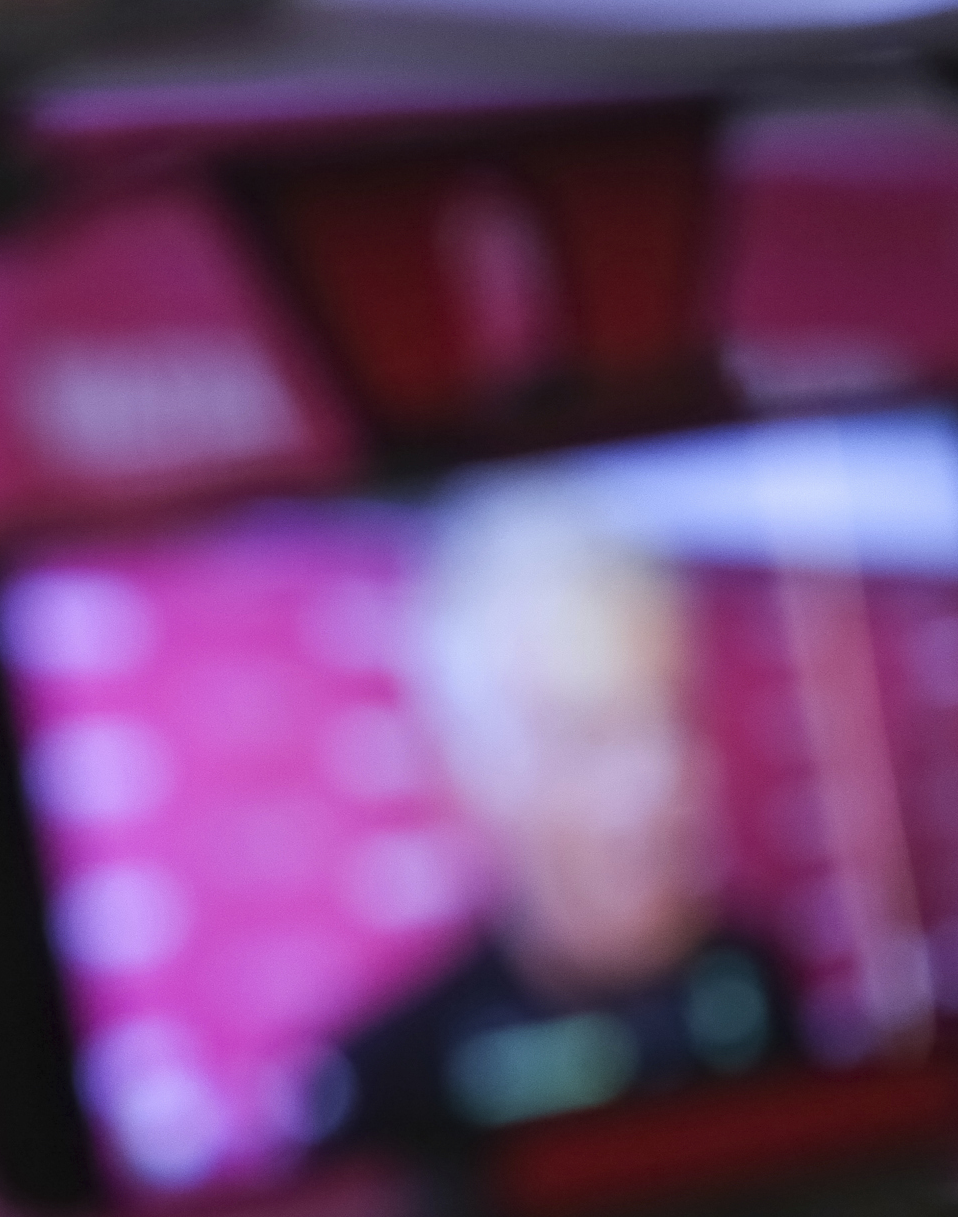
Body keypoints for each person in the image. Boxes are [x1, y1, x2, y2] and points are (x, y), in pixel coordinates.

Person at [309, 479, 797, 1158]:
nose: (655, 782)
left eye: (670, 715)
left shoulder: (764, 981)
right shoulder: (386, 1087)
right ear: (464, 777)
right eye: (584, 734)